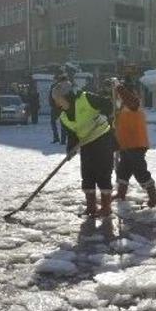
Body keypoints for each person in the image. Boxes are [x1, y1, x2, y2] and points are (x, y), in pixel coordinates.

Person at [52, 82, 117, 218]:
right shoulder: (64, 117)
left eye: (59, 100)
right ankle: (91, 207)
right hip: (86, 144)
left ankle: (106, 207)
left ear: (67, 96)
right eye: (56, 101)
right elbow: (72, 136)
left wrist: (105, 115)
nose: (57, 104)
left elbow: (109, 105)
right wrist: (70, 150)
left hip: (102, 140)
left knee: (103, 174)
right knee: (87, 175)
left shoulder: (86, 98)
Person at [113, 79, 156, 208]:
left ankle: (153, 197)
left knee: (140, 171)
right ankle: (121, 193)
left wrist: (119, 87)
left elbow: (130, 100)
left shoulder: (134, 103)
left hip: (136, 143)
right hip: (126, 144)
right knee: (123, 170)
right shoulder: (123, 106)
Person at [49, 75, 69, 144]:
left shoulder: (55, 87)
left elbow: (51, 97)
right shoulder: (68, 87)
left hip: (56, 107)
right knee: (62, 123)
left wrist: (52, 105)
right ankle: (62, 140)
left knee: (54, 122)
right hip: (62, 107)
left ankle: (57, 138)